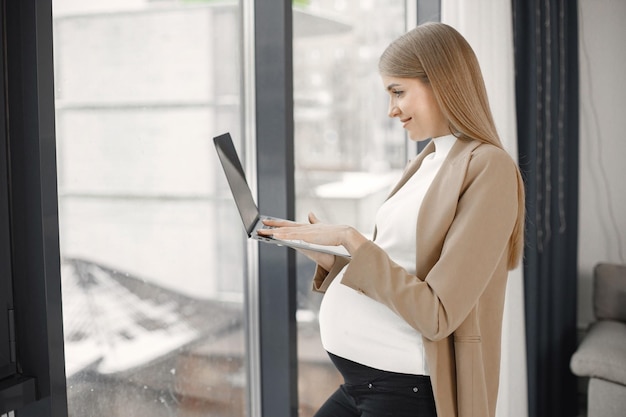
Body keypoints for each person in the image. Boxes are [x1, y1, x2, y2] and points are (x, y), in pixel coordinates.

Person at [258, 22, 525, 417]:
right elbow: (401, 270)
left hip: (405, 390)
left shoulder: (489, 168)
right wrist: (333, 261)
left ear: (442, 82)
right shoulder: (428, 160)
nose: (391, 110)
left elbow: (437, 313)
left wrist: (351, 239)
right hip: (361, 383)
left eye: (398, 92)